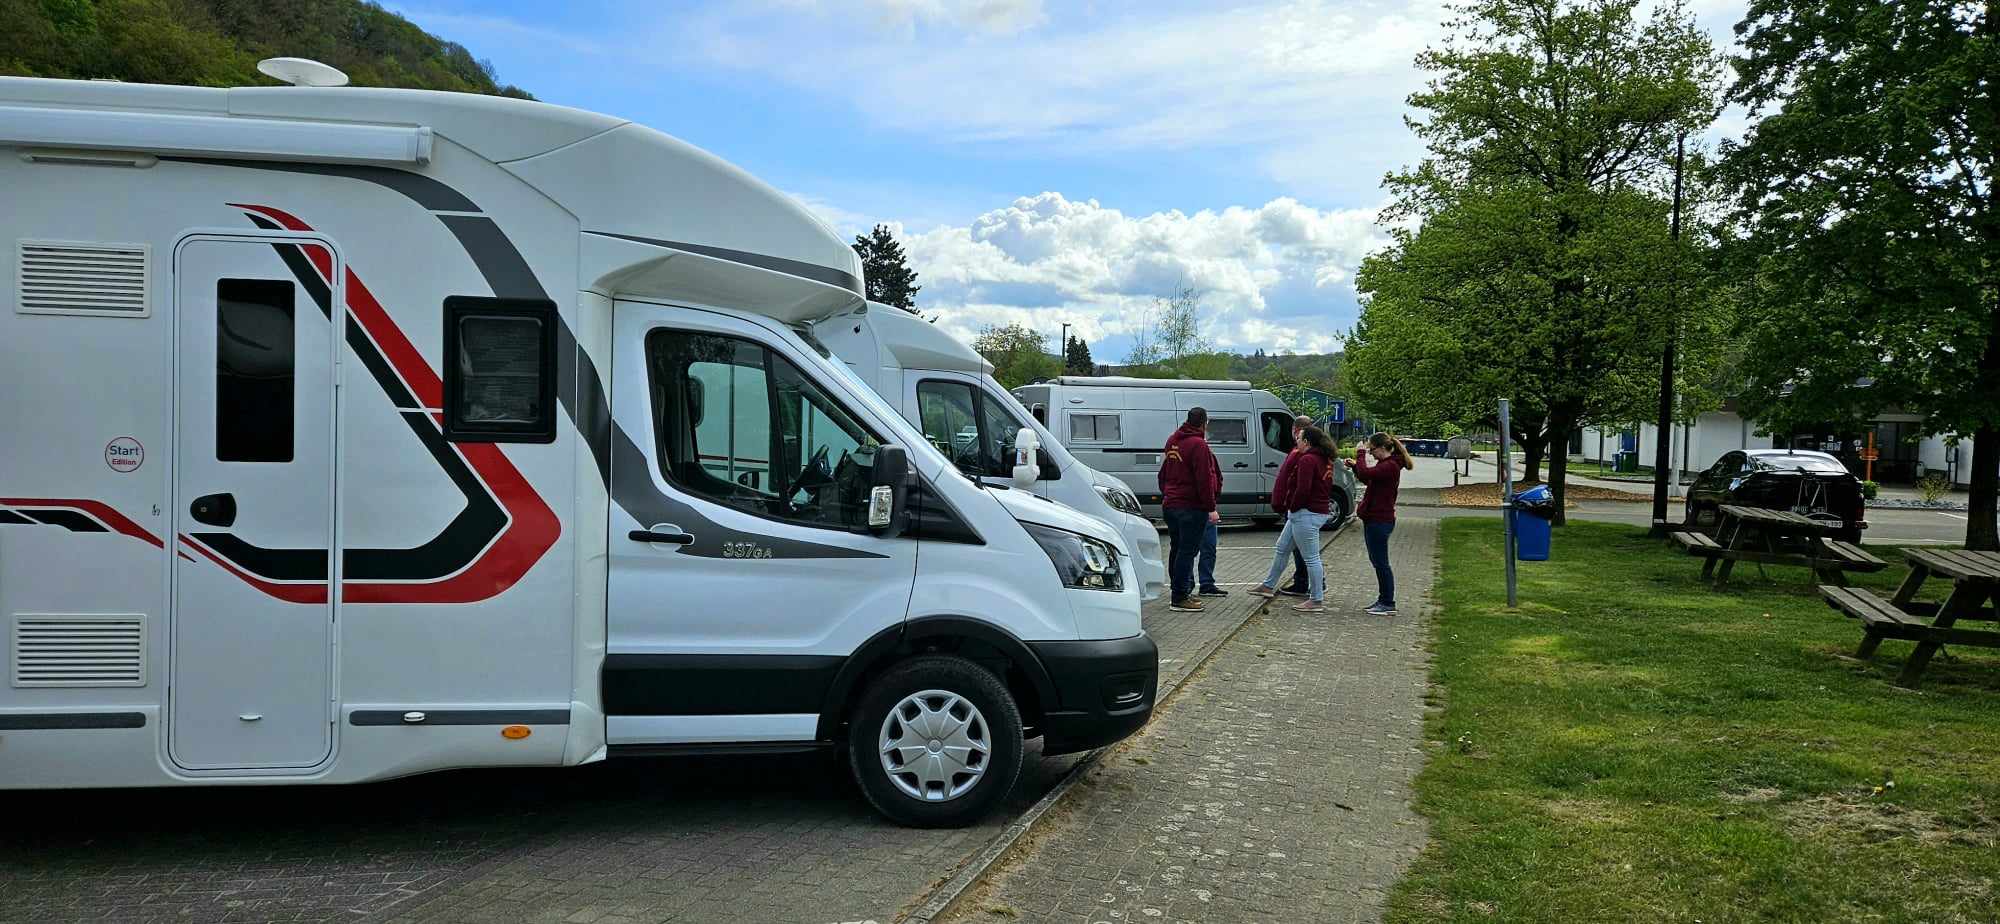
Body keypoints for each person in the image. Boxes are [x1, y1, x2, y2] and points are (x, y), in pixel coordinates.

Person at [1248, 426, 1337, 611]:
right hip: (1313, 511)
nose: (1296, 441)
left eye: (1299, 438)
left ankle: (1316, 599)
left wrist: (1293, 507)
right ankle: (1268, 585)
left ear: (1307, 442)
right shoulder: (1325, 459)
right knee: (1282, 547)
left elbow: (1303, 489)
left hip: (1305, 512)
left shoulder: (1307, 460)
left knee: (1311, 557)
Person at [1160, 407, 1220, 612]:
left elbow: (1163, 474)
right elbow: (1204, 479)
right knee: (1187, 552)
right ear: (1204, 422)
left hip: (1171, 505)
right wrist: (1210, 507)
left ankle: (1178, 591)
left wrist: (1168, 493)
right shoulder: (1198, 445)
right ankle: (1180, 596)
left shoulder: (1172, 441)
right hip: (1191, 507)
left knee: (1176, 548)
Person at [1348, 431, 1413, 616]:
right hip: (1375, 519)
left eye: (1372, 449)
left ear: (1383, 448)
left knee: (1381, 563)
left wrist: (1359, 454)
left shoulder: (1390, 466)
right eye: (1368, 450)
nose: (1370, 453)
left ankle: (1387, 602)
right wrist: (1356, 467)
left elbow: (1367, 472)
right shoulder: (1386, 465)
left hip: (1379, 520)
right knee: (1377, 561)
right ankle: (1384, 599)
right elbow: (1369, 479)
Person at [1273, 414, 1315, 596]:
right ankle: (1308, 583)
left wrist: (1291, 505)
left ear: (1296, 431)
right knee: (1293, 548)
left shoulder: (1302, 454)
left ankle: (1308, 585)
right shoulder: (1311, 453)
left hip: (1299, 509)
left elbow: (1298, 484)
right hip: (1301, 508)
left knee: (1303, 551)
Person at [1196, 435, 1226, 597]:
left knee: (1209, 548)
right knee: (1193, 549)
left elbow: (1217, 479)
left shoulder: (1209, 456)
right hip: (1198, 509)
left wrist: (1214, 499)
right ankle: (1191, 584)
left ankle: (1206, 583)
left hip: (1206, 508)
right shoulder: (1195, 457)